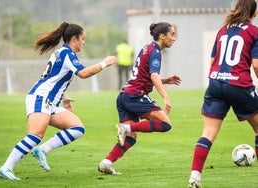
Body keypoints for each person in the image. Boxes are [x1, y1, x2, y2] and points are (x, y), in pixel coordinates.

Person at [0, 21, 117, 180]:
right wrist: (104, 63)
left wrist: (64, 98)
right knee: (35, 135)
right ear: (74, 39)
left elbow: (55, 77)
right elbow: (83, 74)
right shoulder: (67, 54)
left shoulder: (63, 52)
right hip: (41, 97)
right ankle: (6, 168)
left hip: (50, 101)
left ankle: (43, 150)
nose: (83, 42)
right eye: (82, 38)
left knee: (77, 128)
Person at [188, 0, 258, 187]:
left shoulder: (223, 30)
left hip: (216, 82)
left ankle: (195, 177)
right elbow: (257, 65)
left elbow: (213, 61)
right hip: (239, 84)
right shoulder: (254, 32)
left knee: (208, 133)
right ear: (254, 12)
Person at [98, 22, 181, 175]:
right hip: (135, 95)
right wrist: (166, 97)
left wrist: (165, 80)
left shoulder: (147, 48)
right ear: (162, 36)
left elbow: (144, 76)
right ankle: (125, 128)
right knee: (165, 124)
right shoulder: (155, 51)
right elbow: (153, 75)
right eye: (172, 34)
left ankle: (107, 162)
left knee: (131, 138)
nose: (174, 38)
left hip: (125, 95)